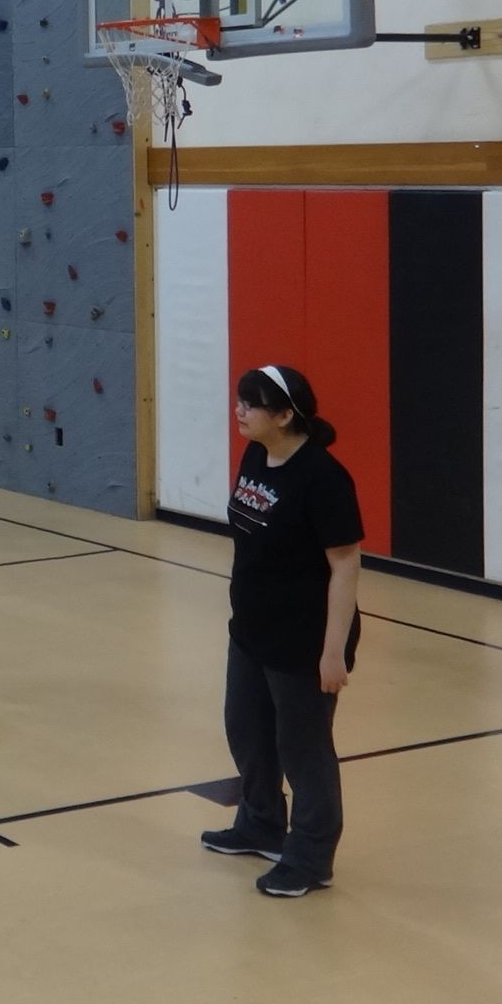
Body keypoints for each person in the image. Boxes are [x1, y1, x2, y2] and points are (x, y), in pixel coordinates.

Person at [203, 363, 364, 899]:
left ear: (285, 415)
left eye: (250, 404)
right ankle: (261, 823)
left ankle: (311, 858)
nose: (239, 411)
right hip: (252, 630)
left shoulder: (323, 477)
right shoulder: (256, 454)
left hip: (304, 641)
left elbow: (345, 565)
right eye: (239, 400)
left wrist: (333, 652)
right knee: (245, 730)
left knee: (303, 749)